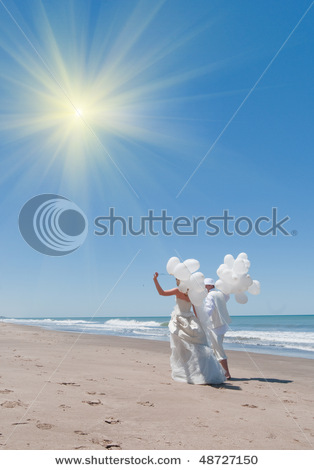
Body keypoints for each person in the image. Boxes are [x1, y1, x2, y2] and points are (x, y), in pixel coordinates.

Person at [153, 272, 225, 385]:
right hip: (191, 319)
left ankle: (187, 369)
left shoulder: (178, 290)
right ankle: (201, 370)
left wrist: (155, 280)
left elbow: (161, 293)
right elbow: (196, 310)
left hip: (180, 319)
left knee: (181, 347)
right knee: (198, 345)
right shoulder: (191, 293)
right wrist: (199, 322)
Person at [203, 278, 232, 379]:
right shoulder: (221, 294)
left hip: (214, 326)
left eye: (206, 285)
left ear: (211, 286)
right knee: (215, 348)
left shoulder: (210, 295)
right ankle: (218, 371)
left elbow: (208, 309)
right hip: (223, 325)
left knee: (218, 349)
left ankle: (227, 373)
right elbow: (227, 297)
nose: (204, 287)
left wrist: (201, 319)